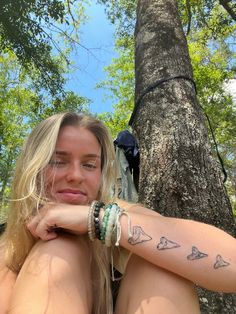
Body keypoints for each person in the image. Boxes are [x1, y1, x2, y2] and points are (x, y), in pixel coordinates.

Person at [0, 112, 235, 314]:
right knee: (58, 249)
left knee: (157, 261)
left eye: (90, 165)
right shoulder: (8, 246)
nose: (76, 176)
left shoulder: (116, 211)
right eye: (58, 161)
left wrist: (99, 220)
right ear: (33, 167)